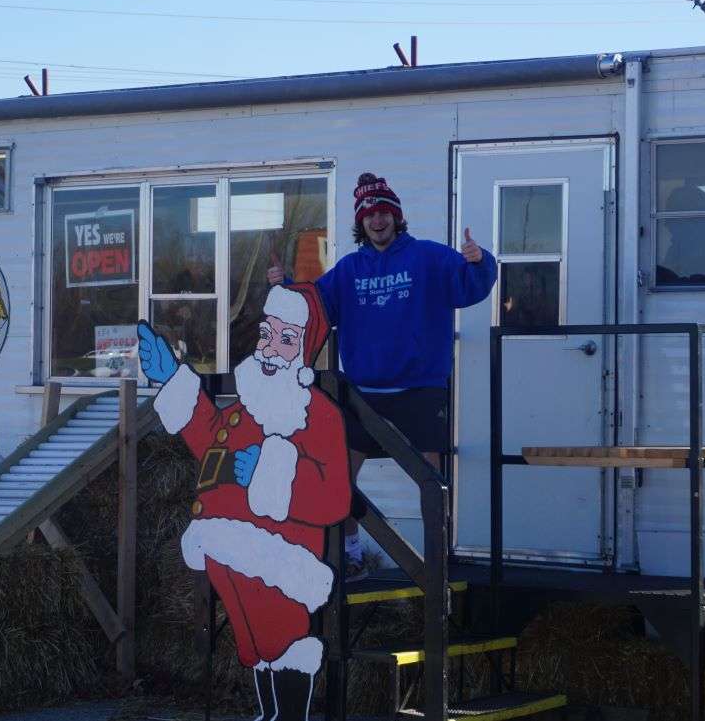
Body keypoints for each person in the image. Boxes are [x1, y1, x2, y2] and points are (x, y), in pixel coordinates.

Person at [137, 283, 351, 721]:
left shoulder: (318, 415)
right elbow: (207, 438)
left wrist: (271, 473)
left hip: (281, 554)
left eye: (285, 338)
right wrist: (173, 380)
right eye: (267, 334)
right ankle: (270, 714)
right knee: (254, 641)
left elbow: (334, 497)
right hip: (221, 544)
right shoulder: (244, 407)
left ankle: (289, 715)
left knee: (283, 635)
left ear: (303, 350)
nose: (271, 348)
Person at [267, 172, 496, 579]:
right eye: (370, 214)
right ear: (361, 222)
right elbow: (315, 307)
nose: (378, 220)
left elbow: (469, 287)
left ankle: (437, 561)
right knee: (339, 477)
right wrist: (284, 287)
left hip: (421, 389)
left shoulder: (429, 257)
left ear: (397, 216)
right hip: (363, 394)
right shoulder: (349, 270)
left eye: (385, 212)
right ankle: (352, 554)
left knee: (432, 482)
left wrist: (480, 262)